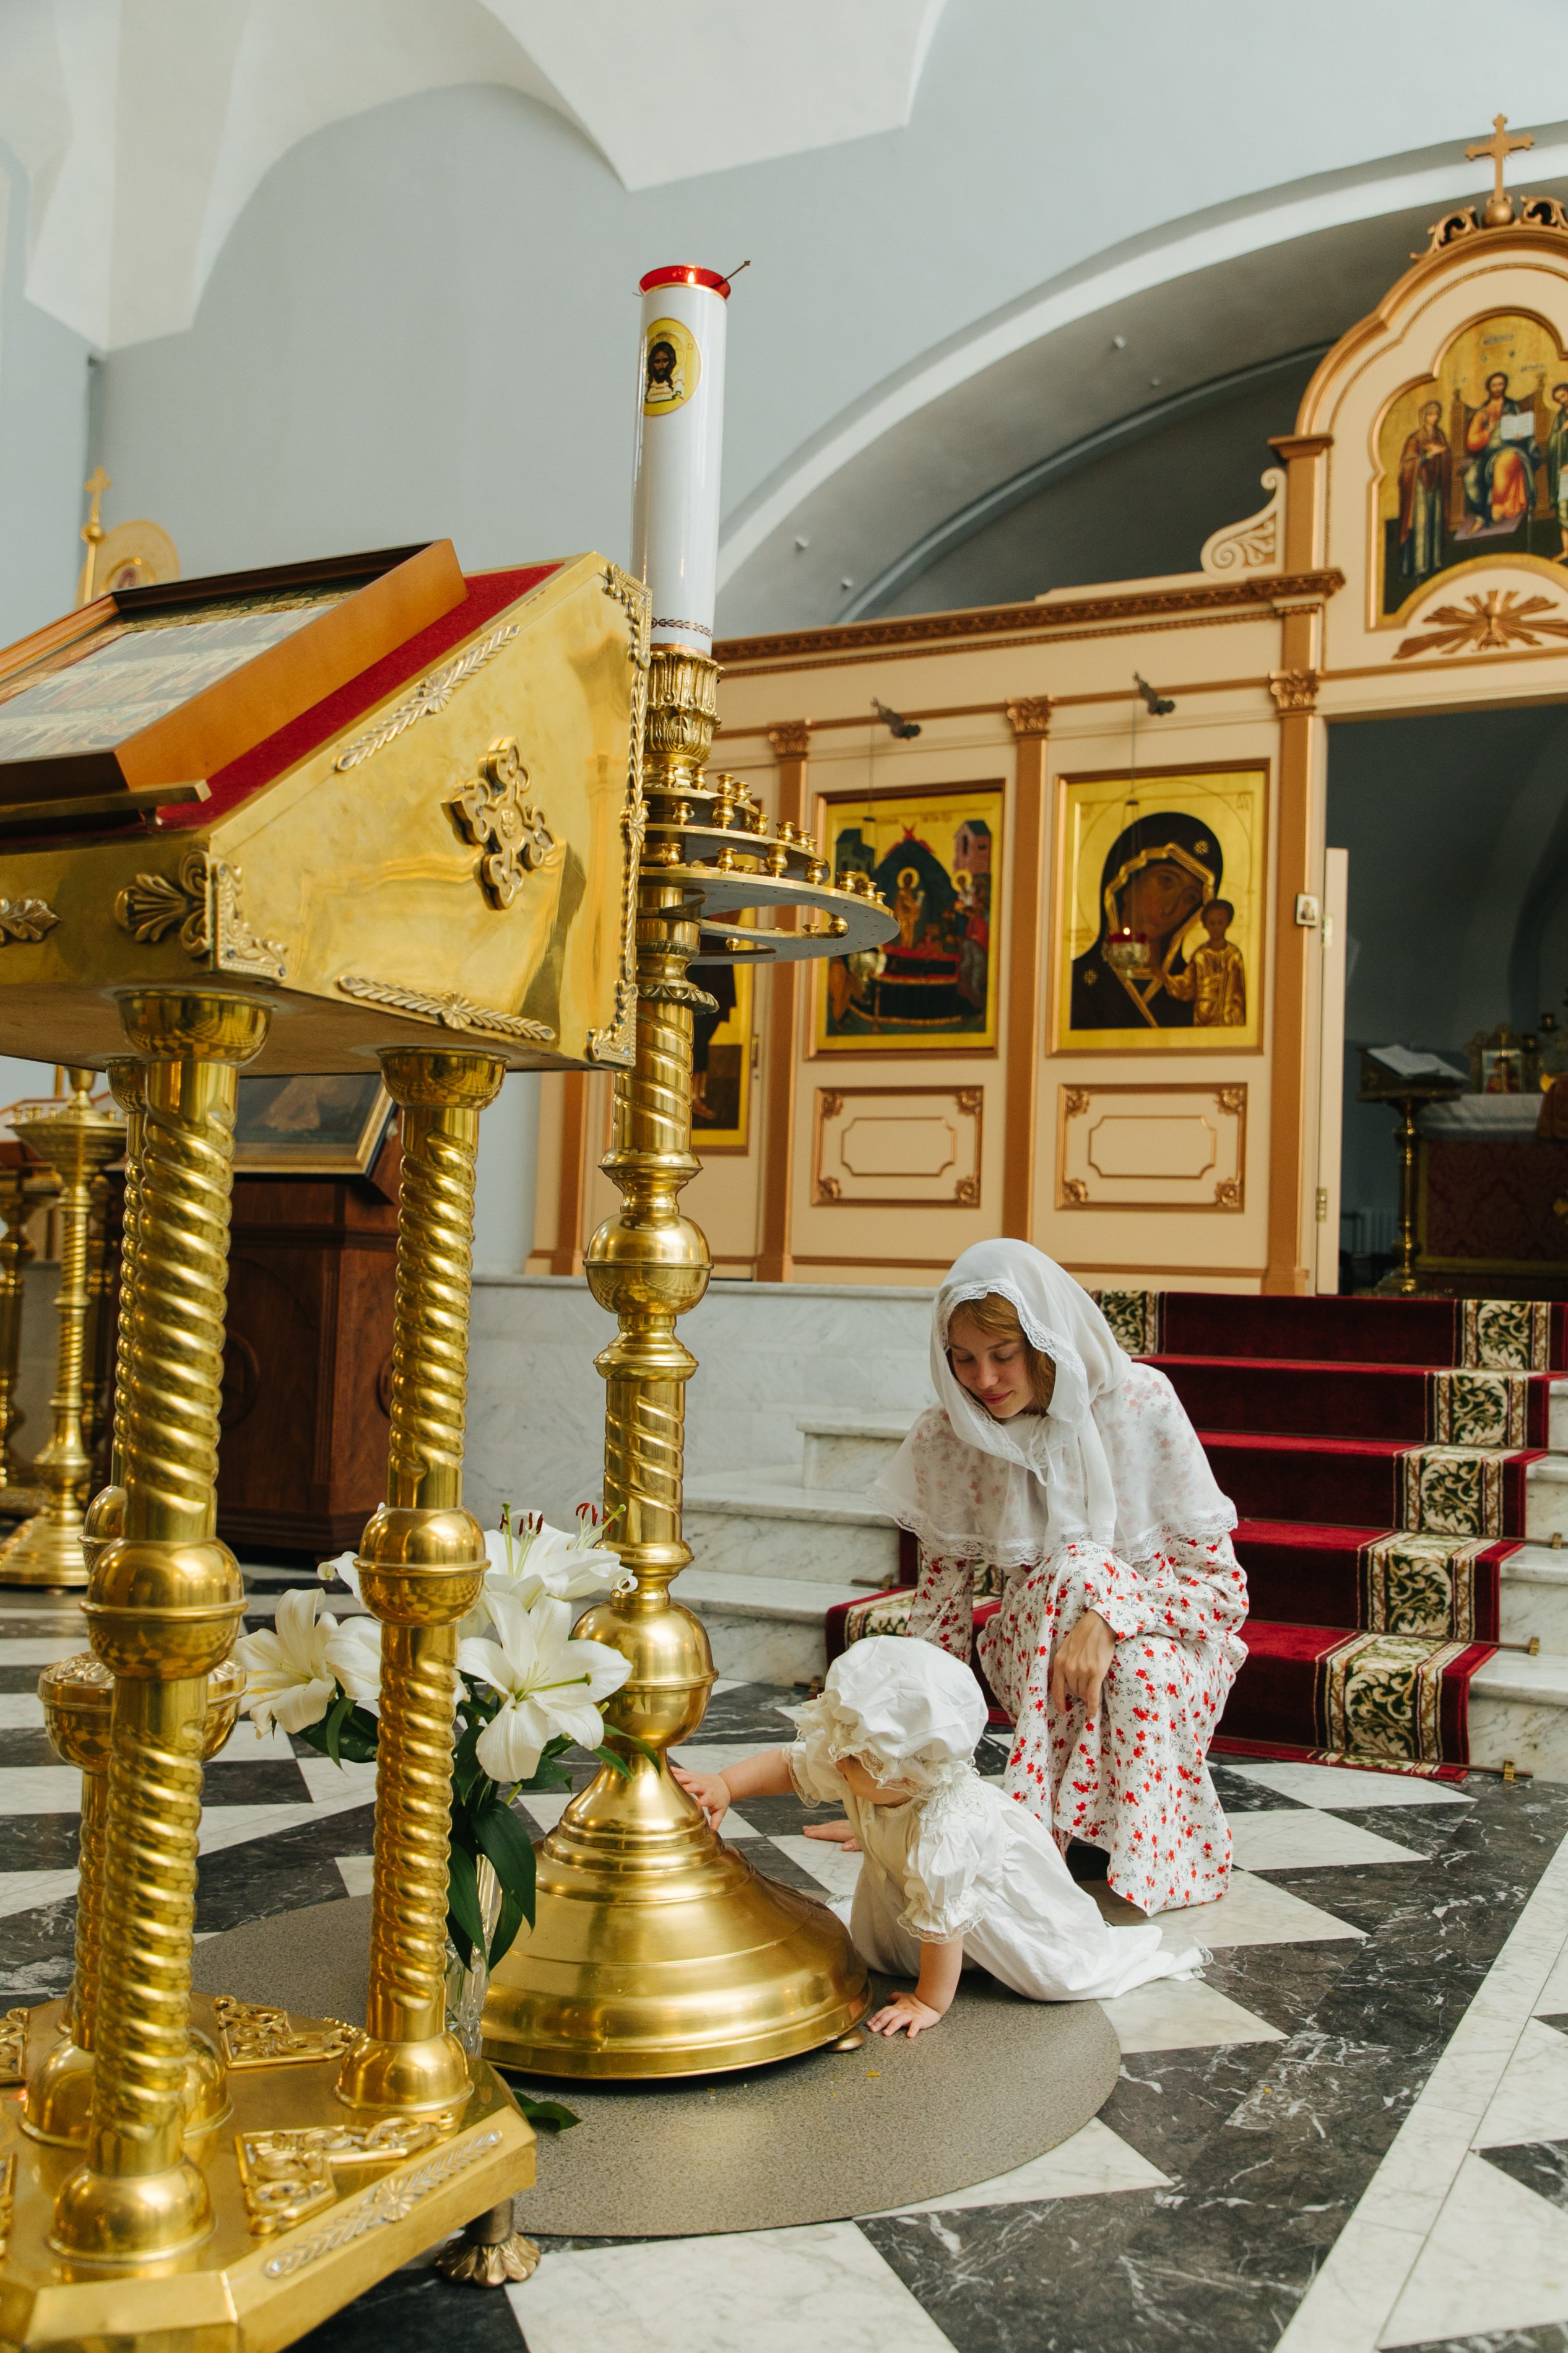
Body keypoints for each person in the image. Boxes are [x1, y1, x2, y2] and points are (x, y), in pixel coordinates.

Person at [867, 1240, 1248, 1915]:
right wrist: (902, 1794)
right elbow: (938, 1623)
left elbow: (1222, 1592)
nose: (982, 1378)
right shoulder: (948, 1435)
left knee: (1138, 1660)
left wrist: (1109, 1619)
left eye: (1002, 1354)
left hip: (1173, 1645)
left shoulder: (1140, 1402)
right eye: (962, 1358)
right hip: (1034, 1650)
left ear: (1044, 1343)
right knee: (1079, 1566)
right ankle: (1081, 1835)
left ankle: (1085, 1839)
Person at [672, 1637, 1203, 2038]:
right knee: (885, 1946)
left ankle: (963, 1976)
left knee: (1052, 1978)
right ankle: (939, 1963)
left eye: (854, 1757)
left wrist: (927, 2003)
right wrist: (725, 1784)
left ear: (910, 1774)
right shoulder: (862, 1765)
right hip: (917, 1894)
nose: (836, 1759)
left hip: (1000, 1903)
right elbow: (792, 1765)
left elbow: (946, 1924)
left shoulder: (944, 1829)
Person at [1067, 812, 1221, 1032]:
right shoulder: (1077, 981)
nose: (1170, 908)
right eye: (1166, 882)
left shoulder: (1192, 990)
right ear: (1126, 884)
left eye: (1189, 898)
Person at [1460, 370, 1536, 533]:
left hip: (1511, 449)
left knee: (1503, 464)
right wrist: (1489, 431)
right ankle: (1481, 517)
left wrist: (1519, 436)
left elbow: (1525, 431)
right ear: (1489, 388)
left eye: (1501, 384)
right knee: (1470, 479)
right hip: (1487, 455)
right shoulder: (1482, 412)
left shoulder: (1512, 407)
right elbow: (1472, 442)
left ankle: (1499, 507)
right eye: (1494, 385)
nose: (1498, 388)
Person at [1164, 897, 1245, 1026]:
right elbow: (1189, 984)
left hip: (1230, 1016)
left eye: (1220, 923)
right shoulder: (1200, 956)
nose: (1216, 928)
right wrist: (1171, 981)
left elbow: (1242, 989)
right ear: (1205, 925)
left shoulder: (1234, 956)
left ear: (1228, 923)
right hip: (1204, 1017)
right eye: (1212, 923)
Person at [1397, 399, 1450, 585]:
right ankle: (1419, 566)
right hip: (1418, 484)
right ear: (1423, 416)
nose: (1434, 418)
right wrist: (1427, 456)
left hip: (1435, 484)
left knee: (1434, 522)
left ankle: (1434, 563)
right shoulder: (1415, 438)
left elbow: (1447, 456)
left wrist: (1442, 453)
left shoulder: (1440, 435)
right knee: (1420, 524)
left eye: (1436, 414)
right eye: (1430, 414)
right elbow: (1407, 465)